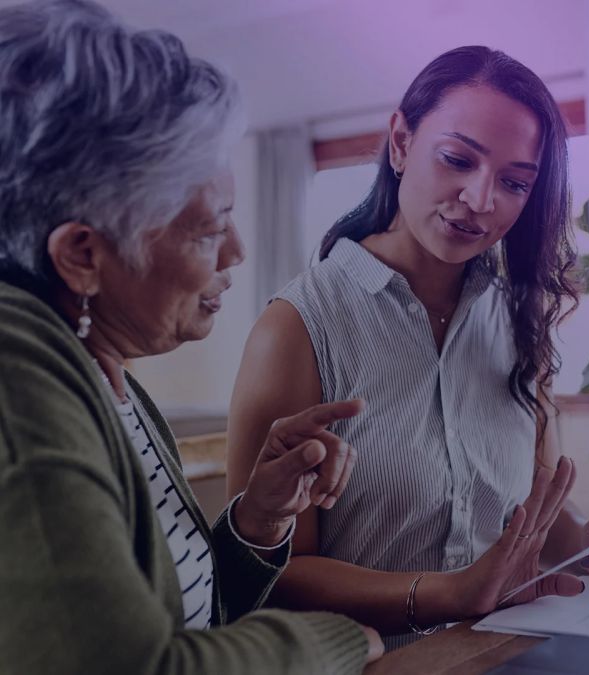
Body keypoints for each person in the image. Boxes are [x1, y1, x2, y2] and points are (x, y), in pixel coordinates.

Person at [226, 45, 589, 648]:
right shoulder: (299, 327)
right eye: (458, 159)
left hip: (509, 657)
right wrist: (448, 593)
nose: (482, 200)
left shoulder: (518, 320)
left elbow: (532, 516)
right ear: (401, 144)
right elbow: (268, 575)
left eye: (514, 182)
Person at [0, 1, 382, 672]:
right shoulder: (18, 373)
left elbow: (183, 617)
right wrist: (342, 637)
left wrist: (256, 523)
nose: (235, 251)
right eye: (210, 227)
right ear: (83, 254)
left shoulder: (107, 371)